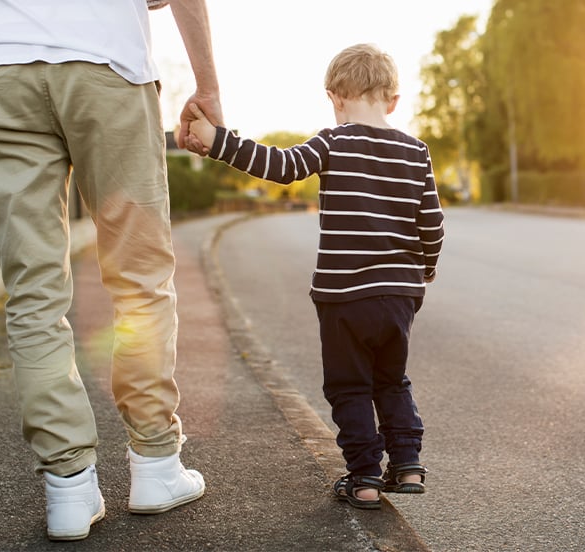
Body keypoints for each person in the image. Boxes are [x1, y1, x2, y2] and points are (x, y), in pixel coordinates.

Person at [0, 0, 222, 541]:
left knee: (32, 293)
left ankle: (67, 486)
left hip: (2, 69)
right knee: (140, 281)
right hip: (107, 62)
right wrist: (207, 87)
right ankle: (156, 465)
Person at [186, 43, 444, 510]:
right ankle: (407, 464)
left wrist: (220, 141)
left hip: (345, 296)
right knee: (392, 379)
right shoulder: (416, 152)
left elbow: (279, 167)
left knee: (349, 385)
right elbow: (432, 223)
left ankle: (364, 476)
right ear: (394, 100)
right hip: (400, 295)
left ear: (335, 97)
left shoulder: (333, 141)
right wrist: (423, 271)